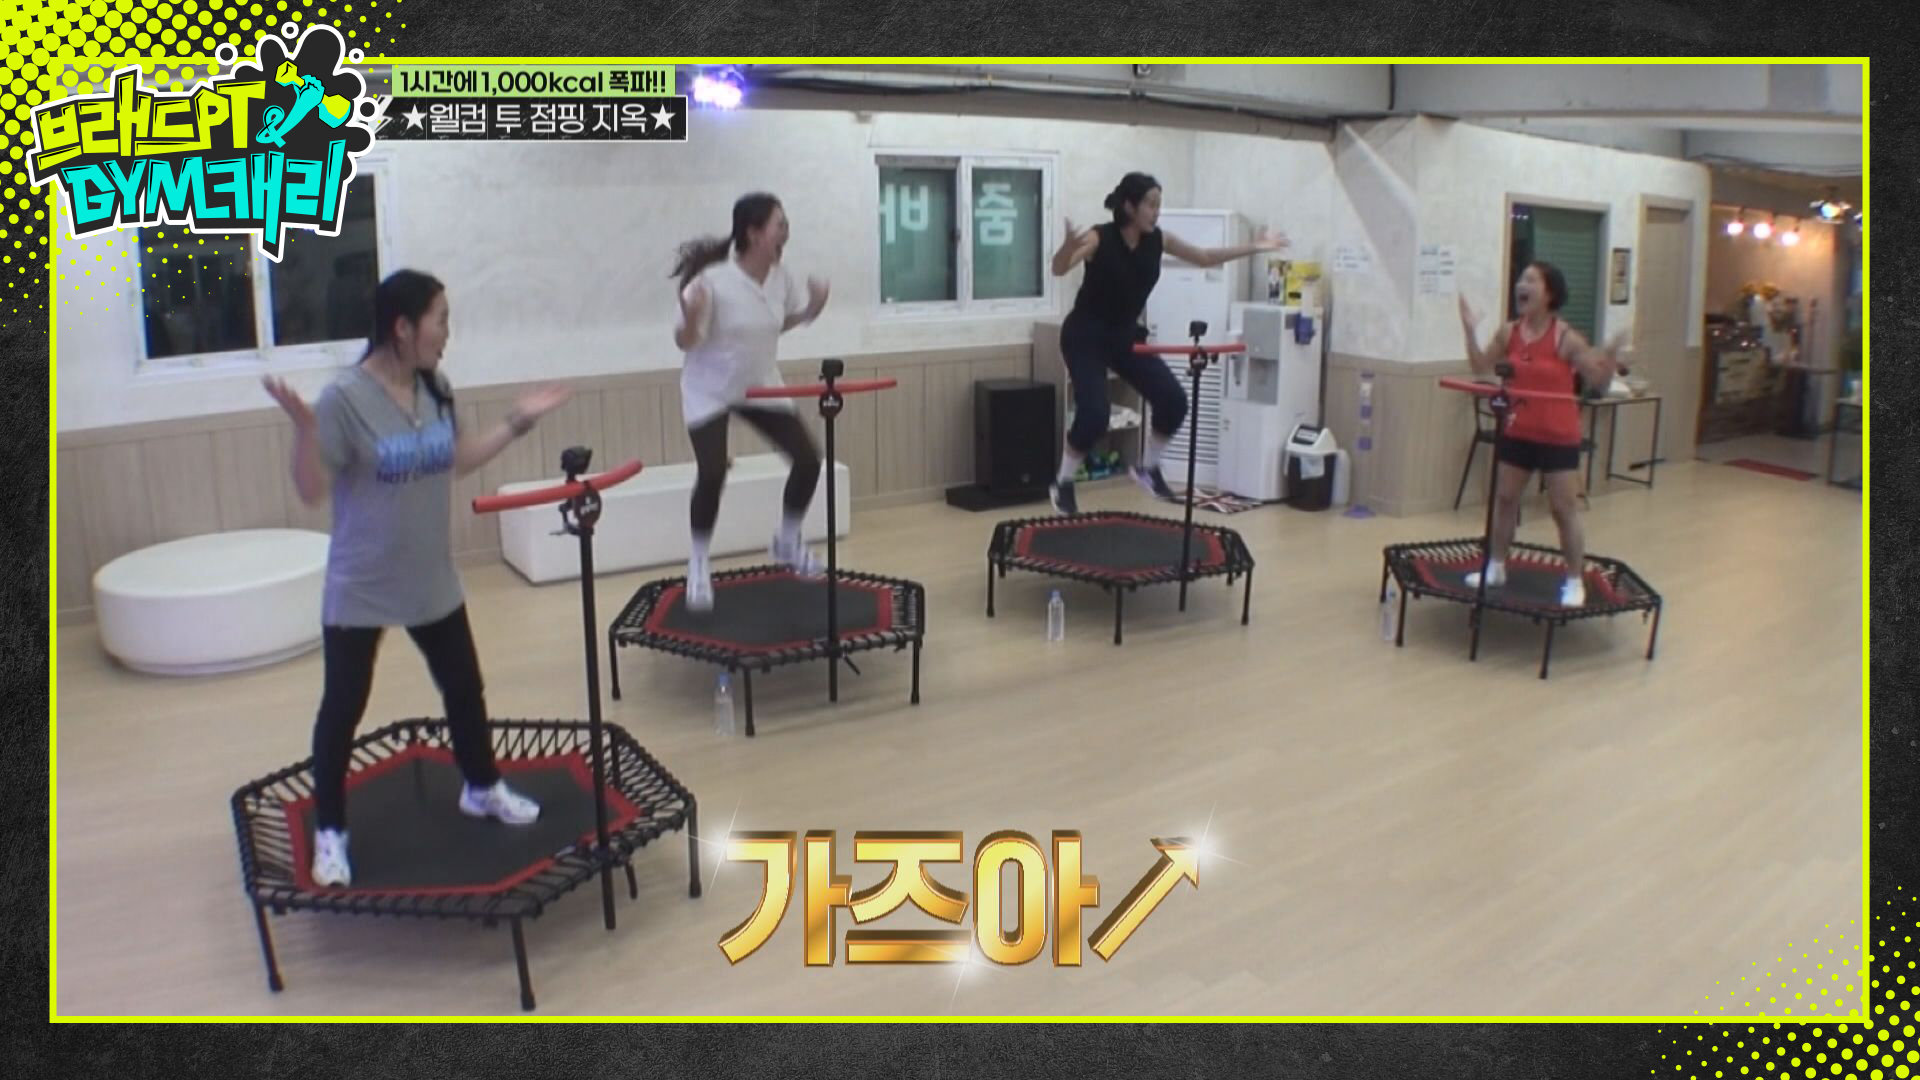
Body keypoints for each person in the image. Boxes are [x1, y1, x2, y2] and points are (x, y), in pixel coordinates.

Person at [261, 269, 573, 889]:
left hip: (431, 576)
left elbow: (455, 459)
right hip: (362, 584)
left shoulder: (435, 387)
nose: (447, 333)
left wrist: (517, 421)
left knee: (464, 688)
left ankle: (480, 788)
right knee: (342, 708)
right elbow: (311, 489)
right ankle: (331, 833)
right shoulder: (345, 399)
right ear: (403, 328)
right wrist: (304, 432)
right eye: (441, 320)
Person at [1046, 171, 1289, 513]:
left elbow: (1204, 257)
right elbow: (1059, 269)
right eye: (1151, 204)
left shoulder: (1158, 240)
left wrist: (1256, 247)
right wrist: (1067, 248)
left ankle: (1148, 467)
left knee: (1174, 401)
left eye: (1159, 204)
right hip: (1085, 334)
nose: (1156, 211)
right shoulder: (1100, 237)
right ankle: (1063, 481)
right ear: (1129, 206)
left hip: (1124, 335)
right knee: (1095, 415)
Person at [671, 192, 831, 610]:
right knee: (712, 473)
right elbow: (685, 341)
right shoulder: (712, 281)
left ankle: (787, 541)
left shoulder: (781, 278)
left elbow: (775, 324)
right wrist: (692, 316)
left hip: (760, 384)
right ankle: (698, 563)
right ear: (754, 233)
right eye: (780, 224)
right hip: (709, 389)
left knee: (809, 460)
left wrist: (812, 309)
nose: (786, 232)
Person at [1457, 261, 1626, 607]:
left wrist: (1609, 355)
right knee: (1505, 499)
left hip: (1558, 436)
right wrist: (1470, 330)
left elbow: (1598, 383)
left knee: (1563, 510)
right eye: (1521, 279)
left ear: (1549, 294)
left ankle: (1575, 580)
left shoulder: (1566, 338)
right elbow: (1479, 367)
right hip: (1519, 430)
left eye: (1531, 280)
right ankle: (1496, 566)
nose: (1522, 285)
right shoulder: (1508, 333)